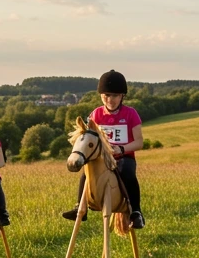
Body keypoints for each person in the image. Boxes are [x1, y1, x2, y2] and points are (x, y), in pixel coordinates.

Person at [62, 70, 146, 229]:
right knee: (84, 176)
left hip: (123, 157)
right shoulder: (96, 114)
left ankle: (136, 212)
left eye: (114, 95)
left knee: (127, 173)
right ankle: (80, 207)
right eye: (106, 95)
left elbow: (139, 142)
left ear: (122, 96)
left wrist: (121, 149)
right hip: (101, 158)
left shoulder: (130, 114)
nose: (110, 100)